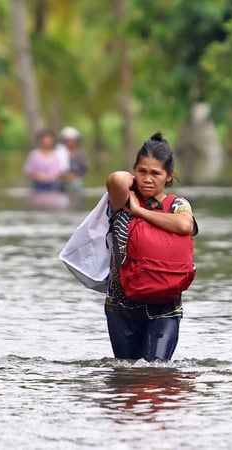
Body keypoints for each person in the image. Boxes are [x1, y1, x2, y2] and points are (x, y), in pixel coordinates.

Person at [104, 132, 198, 361]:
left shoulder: (177, 205)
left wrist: (140, 212)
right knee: (127, 374)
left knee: (155, 371)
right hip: (122, 306)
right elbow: (117, 178)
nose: (148, 179)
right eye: (142, 171)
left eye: (155, 173)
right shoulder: (123, 200)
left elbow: (186, 225)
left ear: (169, 176)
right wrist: (133, 189)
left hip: (165, 308)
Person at [57, 126, 88, 195]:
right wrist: (64, 176)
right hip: (61, 179)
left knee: (76, 184)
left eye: (72, 140)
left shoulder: (81, 153)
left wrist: (74, 175)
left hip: (76, 179)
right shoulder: (59, 152)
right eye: (67, 140)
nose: (70, 142)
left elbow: (84, 168)